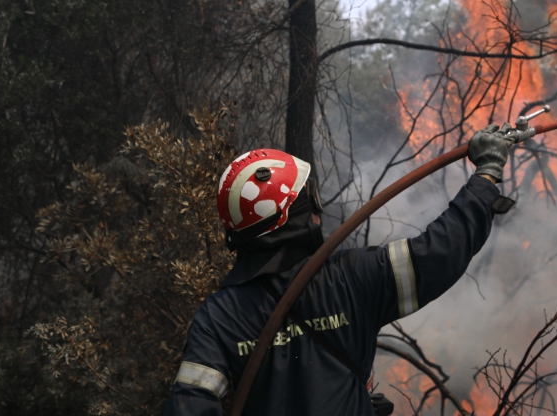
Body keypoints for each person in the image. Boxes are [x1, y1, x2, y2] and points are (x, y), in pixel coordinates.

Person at [164, 123, 516, 415]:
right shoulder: (350, 278)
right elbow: (440, 252)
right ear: (296, 215)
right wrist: (485, 177)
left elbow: (189, 408)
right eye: (311, 199)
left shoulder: (219, 316)